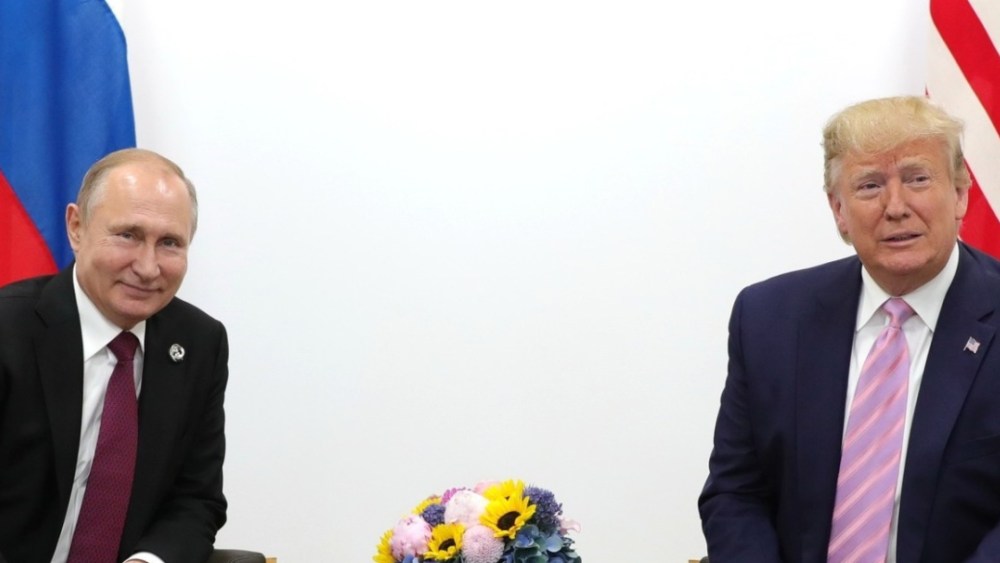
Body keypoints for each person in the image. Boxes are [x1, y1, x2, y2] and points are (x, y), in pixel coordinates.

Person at [699, 96, 1000, 562]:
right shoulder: (769, 318)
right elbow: (737, 493)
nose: (896, 206)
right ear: (838, 209)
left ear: (960, 194)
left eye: (918, 179)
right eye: (870, 185)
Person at [0, 148, 228, 562]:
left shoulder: (199, 343)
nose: (148, 267)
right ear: (77, 228)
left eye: (170, 243)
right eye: (128, 235)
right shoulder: (8, 330)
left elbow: (196, 499)